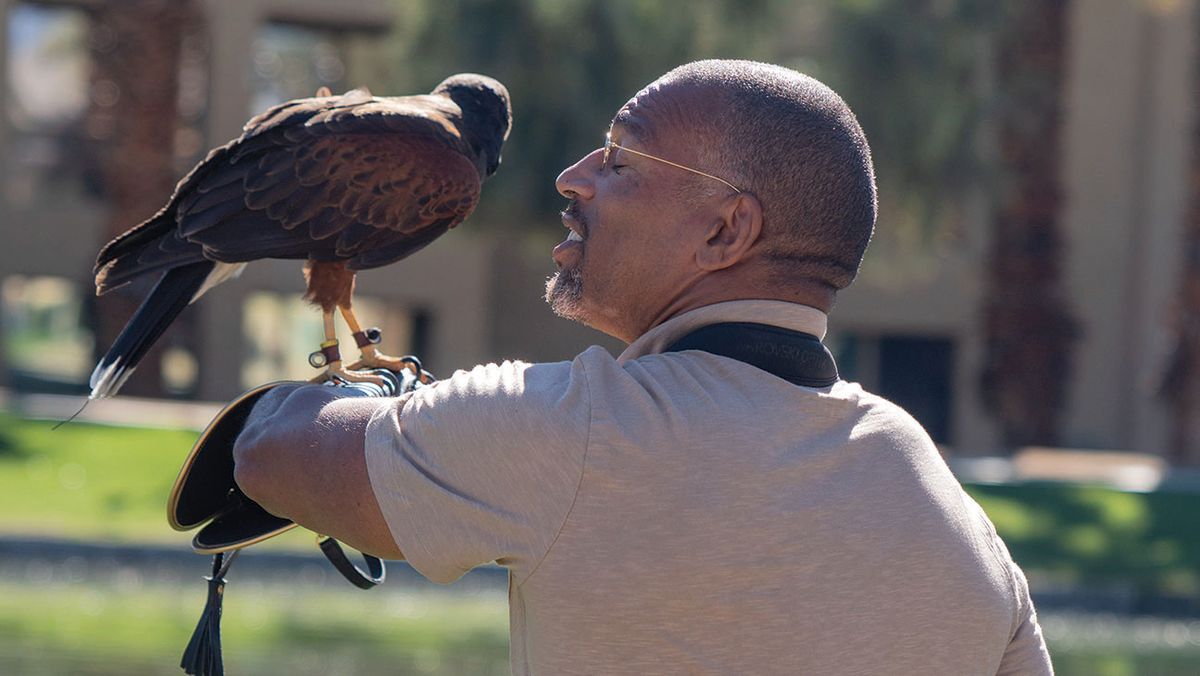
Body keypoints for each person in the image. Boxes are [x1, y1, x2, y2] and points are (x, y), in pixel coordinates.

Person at [233, 59, 1053, 675]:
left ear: (725, 234)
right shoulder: (954, 519)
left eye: (620, 160)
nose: (573, 178)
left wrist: (348, 402)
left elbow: (270, 453)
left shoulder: (576, 427)